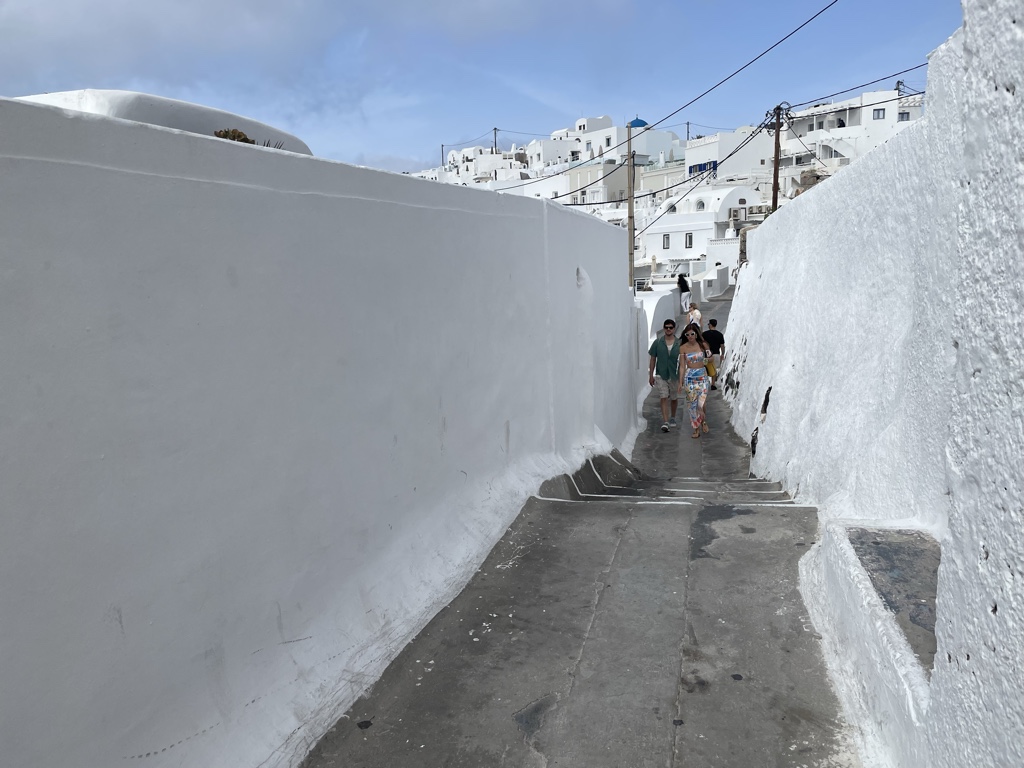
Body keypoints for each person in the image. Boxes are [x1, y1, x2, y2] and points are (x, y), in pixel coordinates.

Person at [648, 319, 682, 432]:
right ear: (663, 328)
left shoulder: (679, 343)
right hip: (660, 374)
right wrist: (651, 375)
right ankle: (666, 421)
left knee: (673, 397)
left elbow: (682, 362)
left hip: (674, 375)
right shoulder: (658, 342)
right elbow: (653, 359)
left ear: (674, 328)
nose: (668, 329)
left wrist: (682, 378)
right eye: (666, 327)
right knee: (663, 396)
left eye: (670, 327)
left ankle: (672, 417)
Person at [677, 323, 710, 438]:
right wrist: (680, 382)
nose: (690, 336)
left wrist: (705, 360)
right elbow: (682, 366)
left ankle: (703, 420)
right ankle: (696, 428)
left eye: (692, 334)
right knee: (692, 405)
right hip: (690, 377)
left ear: (696, 334)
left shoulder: (703, 345)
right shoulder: (683, 348)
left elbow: (710, 358)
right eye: (687, 334)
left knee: (702, 403)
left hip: (702, 376)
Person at [702, 319, 726, 390]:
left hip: (706, 356)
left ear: (710, 325)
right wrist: (722, 354)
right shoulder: (720, 335)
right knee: (714, 370)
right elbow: (722, 346)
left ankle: (705, 382)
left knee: (705, 368)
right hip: (716, 354)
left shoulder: (704, 334)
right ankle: (713, 384)